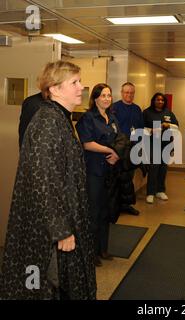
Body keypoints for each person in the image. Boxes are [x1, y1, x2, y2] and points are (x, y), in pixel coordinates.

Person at [0, 60, 96, 299]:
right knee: (49, 285)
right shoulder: (48, 122)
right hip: (47, 231)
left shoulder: (59, 118)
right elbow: (44, 179)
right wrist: (61, 230)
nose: (81, 87)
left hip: (59, 219)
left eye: (80, 81)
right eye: (74, 82)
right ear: (54, 89)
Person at [76, 83, 120, 267]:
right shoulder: (88, 118)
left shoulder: (112, 117)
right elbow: (87, 143)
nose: (107, 98)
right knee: (93, 213)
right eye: (103, 95)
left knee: (105, 211)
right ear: (95, 98)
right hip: (94, 170)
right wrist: (110, 150)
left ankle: (103, 249)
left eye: (109, 95)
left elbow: (119, 139)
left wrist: (117, 153)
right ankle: (90, 253)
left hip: (110, 171)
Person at [111, 82, 144, 215]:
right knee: (118, 177)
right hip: (119, 148)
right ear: (122, 92)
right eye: (126, 92)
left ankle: (126, 205)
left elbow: (140, 128)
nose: (129, 95)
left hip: (133, 148)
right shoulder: (115, 108)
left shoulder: (137, 109)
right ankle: (116, 205)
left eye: (131, 93)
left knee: (128, 178)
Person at [143, 92, 179, 204]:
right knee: (154, 167)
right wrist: (151, 130)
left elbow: (176, 126)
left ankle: (160, 191)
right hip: (152, 143)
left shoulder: (168, 113)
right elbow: (141, 128)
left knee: (163, 168)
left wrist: (169, 125)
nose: (160, 102)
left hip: (166, 144)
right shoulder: (147, 112)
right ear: (153, 101)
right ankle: (150, 193)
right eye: (157, 100)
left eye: (162, 100)